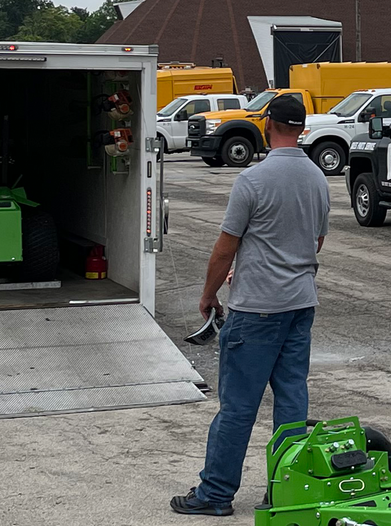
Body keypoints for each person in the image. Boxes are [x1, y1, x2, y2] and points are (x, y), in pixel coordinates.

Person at [171, 95, 330, 516]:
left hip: (257, 308)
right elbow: (314, 241)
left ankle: (214, 494)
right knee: (292, 402)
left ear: (268, 124)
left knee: (239, 406)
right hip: (300, 304)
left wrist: (209, 294)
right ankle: (286, 491)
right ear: (300, 129)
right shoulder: (317, 177)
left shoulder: (253, 179)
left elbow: (226, 248)